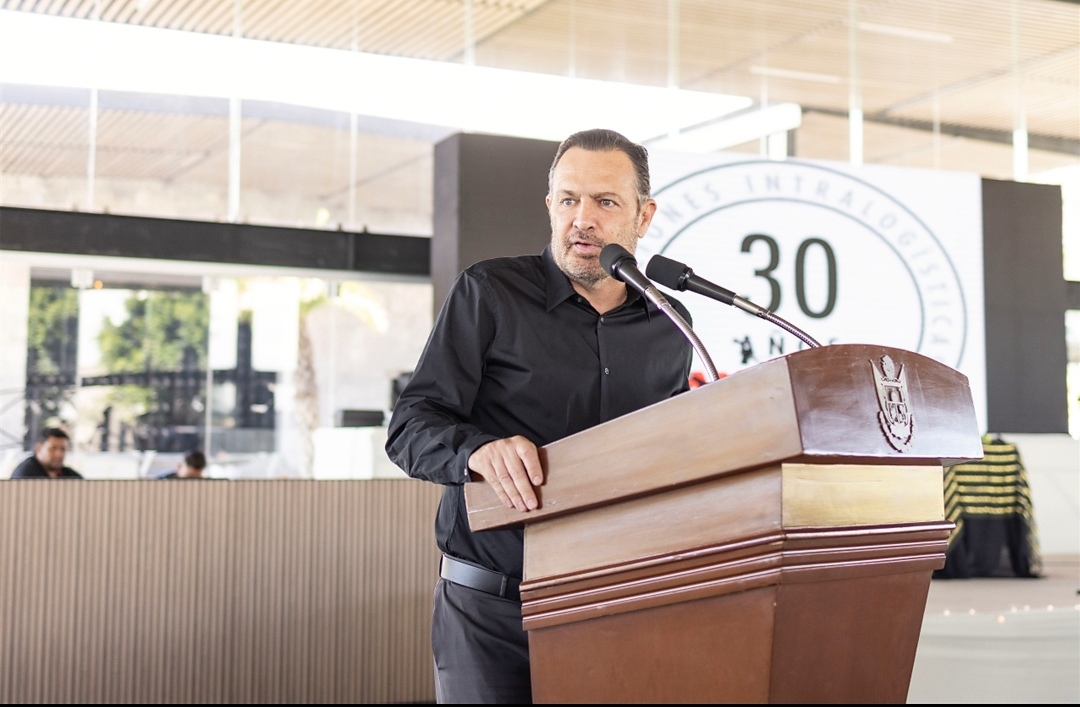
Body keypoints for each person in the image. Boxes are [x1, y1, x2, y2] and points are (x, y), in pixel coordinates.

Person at [385, 128, 693, 704]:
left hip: (616, 602)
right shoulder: (489, 292)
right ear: (550, 206)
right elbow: (410, 427)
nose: (583, 219)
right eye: (569, 199)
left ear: (644, 216)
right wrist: (478, 451)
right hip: (491, 611)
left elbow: (670, 453)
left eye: (605, 202)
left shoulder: (669, 322)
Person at [10, 427, 83, 479]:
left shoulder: (69, 474)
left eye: (63, 449)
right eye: (53, 448)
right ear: (38, 448)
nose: (59, 454)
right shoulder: (25, 474)